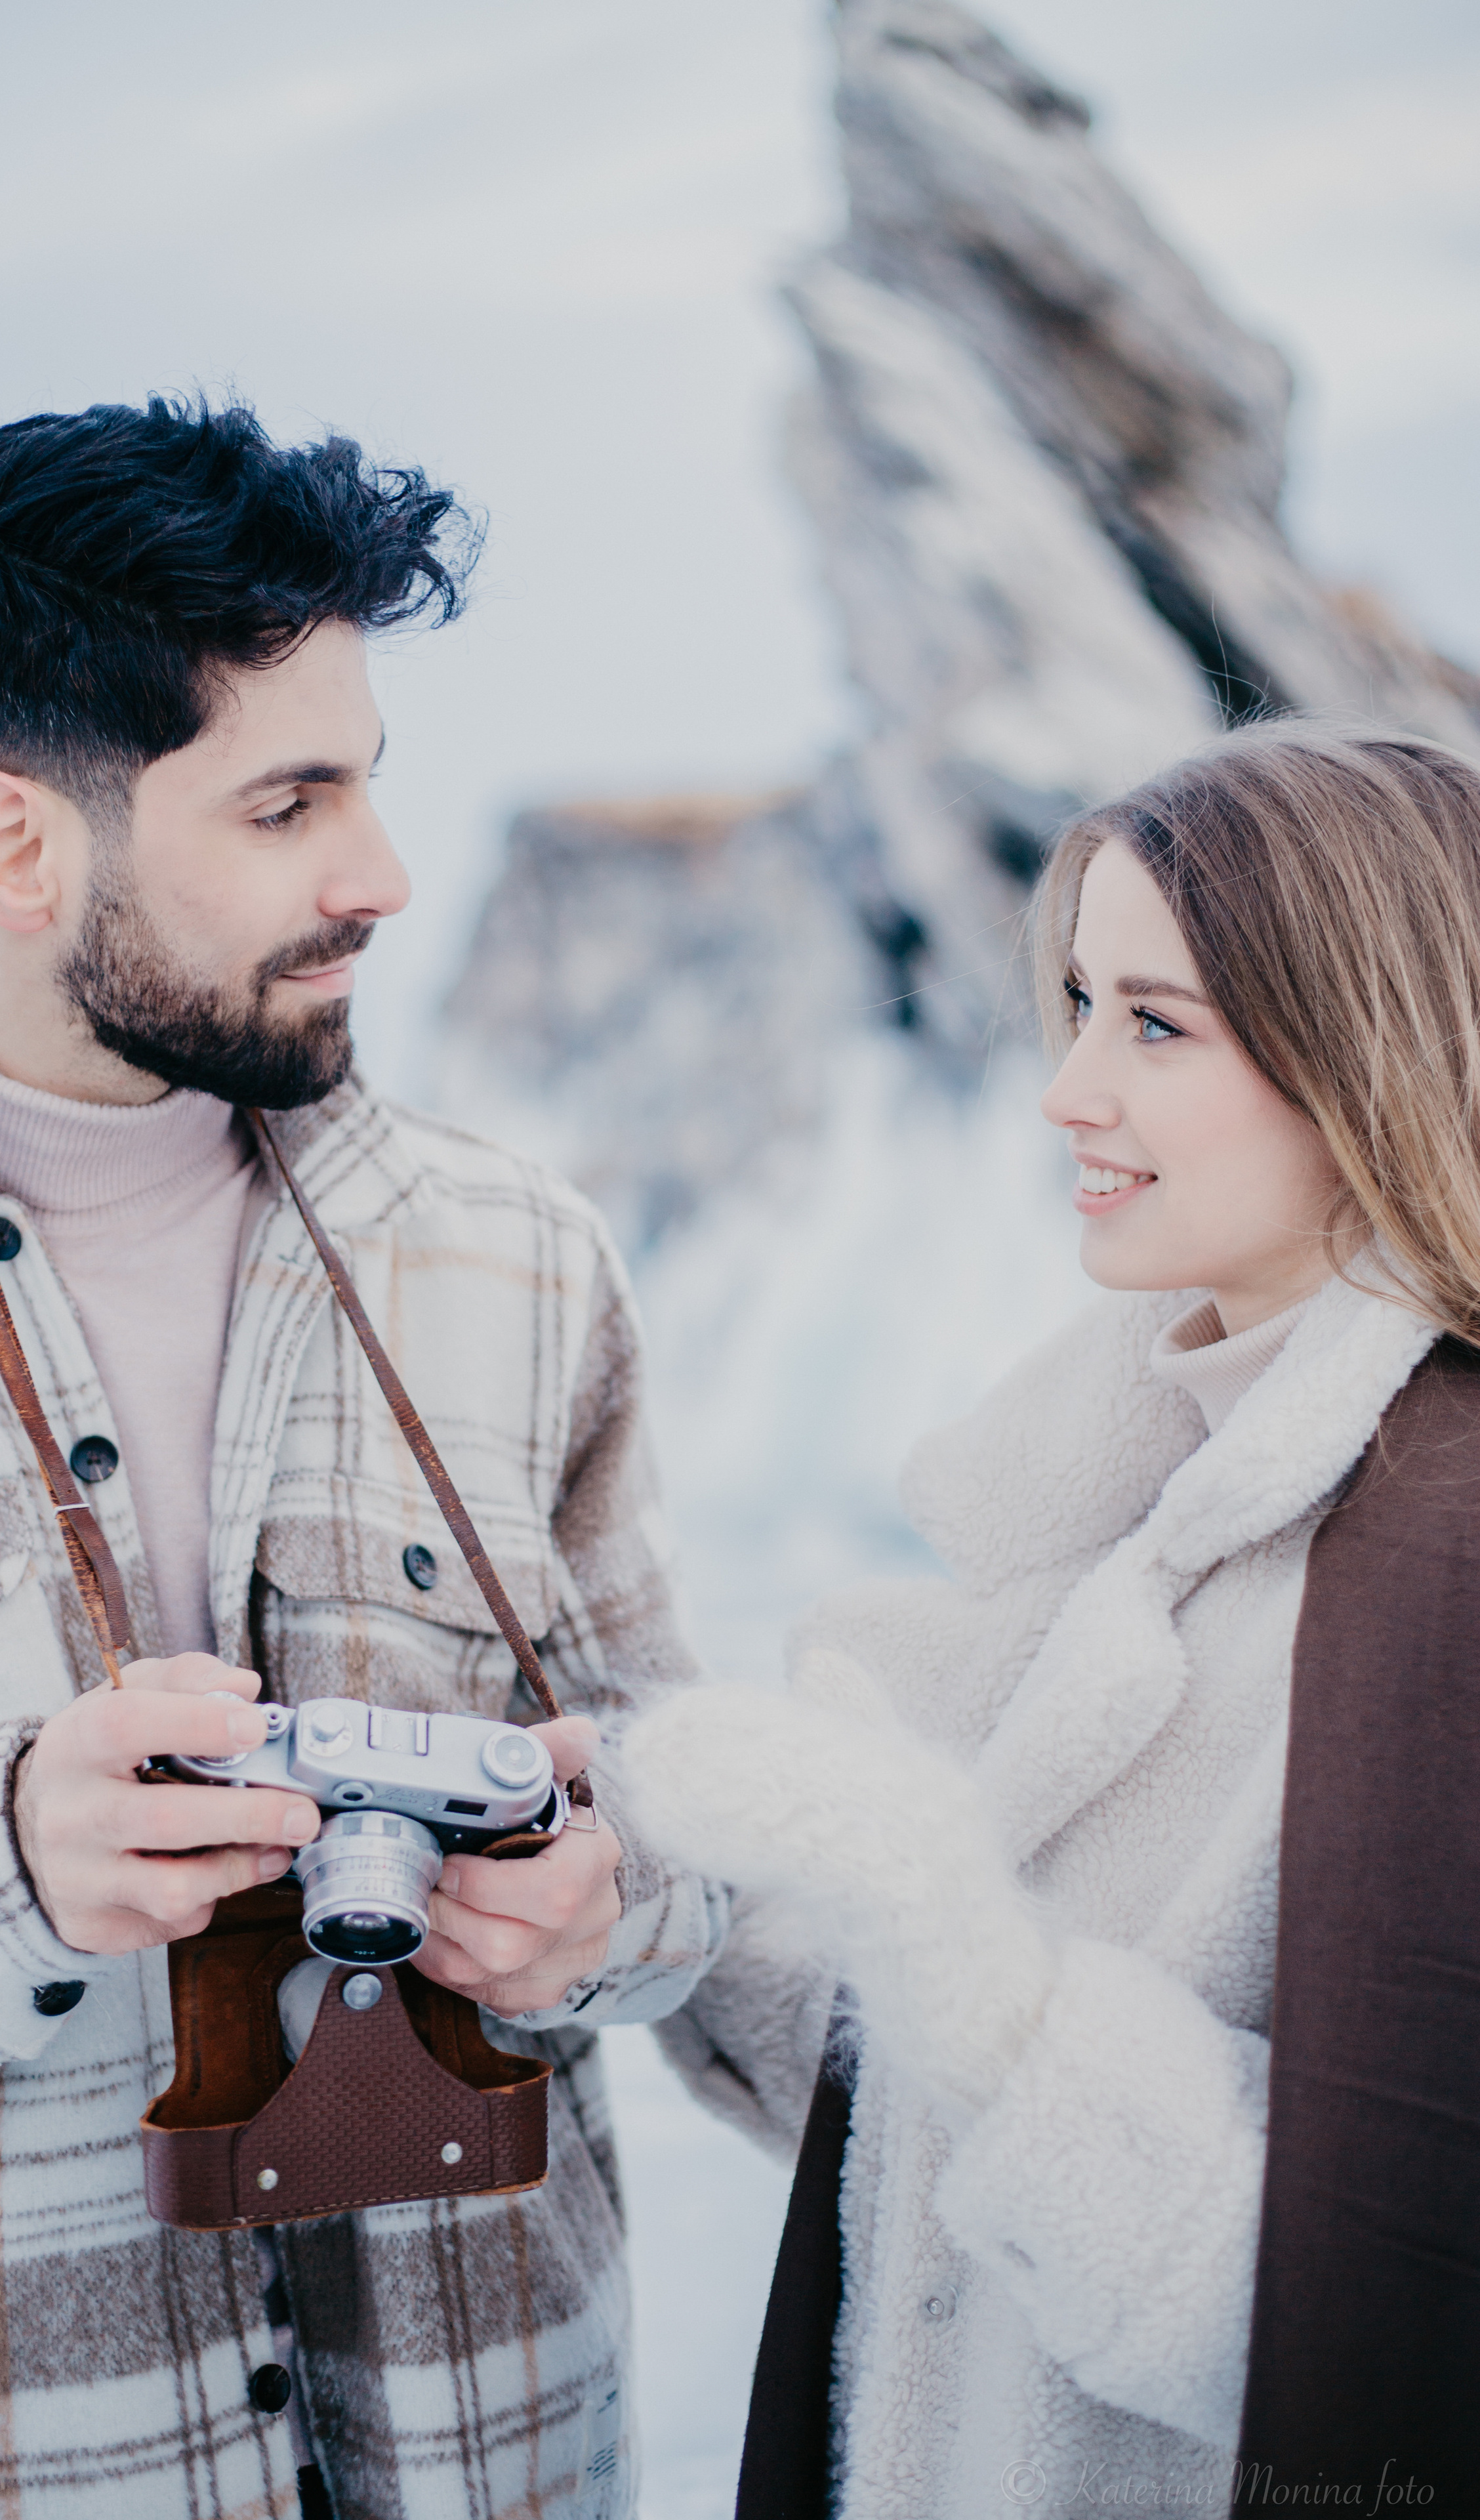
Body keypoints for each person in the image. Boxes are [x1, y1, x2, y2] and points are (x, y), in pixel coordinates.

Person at [0, 397, 726, 2520]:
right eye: (288, 804)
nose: (381, 878)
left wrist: (611, 1902)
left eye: (368, 782)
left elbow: (700, 1843)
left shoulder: (517, 1257)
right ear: (14, 845)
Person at [624, 722, 1480, 2515]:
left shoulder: (1445, 1580)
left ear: (1372, 1055)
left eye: (1156, 1025)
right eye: (1079, 1003)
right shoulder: (1129, 1519)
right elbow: (926, 2138)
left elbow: (1384, 2338)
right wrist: (652, 1904)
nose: (1066, 1087)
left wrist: (959, 1937)